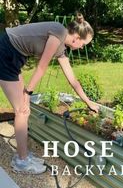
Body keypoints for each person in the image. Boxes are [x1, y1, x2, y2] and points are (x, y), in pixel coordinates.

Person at [0, 13, 99, 175]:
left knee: (25, 111)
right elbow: (41, 66)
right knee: (21, 111)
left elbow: (72, 80)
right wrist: (27, 92)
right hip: (5, 53)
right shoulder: (59, 31)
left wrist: (89, 102)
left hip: (14, 56)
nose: (82, 47)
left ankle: (23, 155)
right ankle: (21, 162)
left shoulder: (61, 49)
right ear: (76, 38)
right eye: (84, 44)